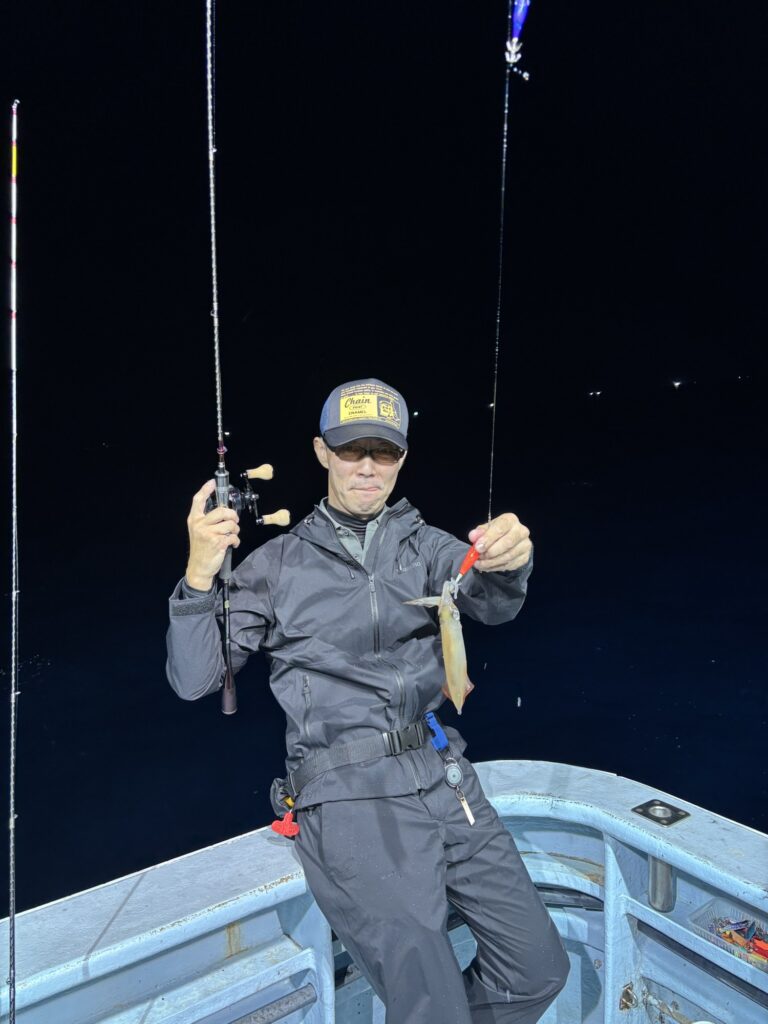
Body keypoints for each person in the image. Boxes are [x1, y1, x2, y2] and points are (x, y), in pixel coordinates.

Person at [166, 378, 569, 1023]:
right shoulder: (275, 566)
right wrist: (197, 575)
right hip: (347, 795)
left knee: (538, 969)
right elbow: (194, 679)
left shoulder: (428, 546)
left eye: (384, 452)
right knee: (430, 1006)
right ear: (322, 452)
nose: (367, 467)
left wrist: (510, 558)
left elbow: (492, 602)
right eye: (351, 450)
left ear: (402, 459)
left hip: (445, 775)